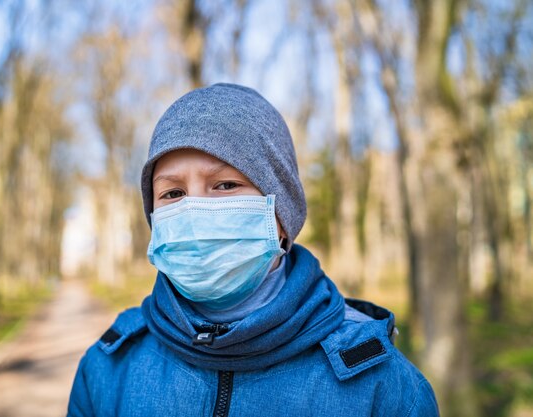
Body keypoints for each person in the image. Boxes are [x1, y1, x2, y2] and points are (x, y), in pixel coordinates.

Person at [67, 83, 439, 417]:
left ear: (281, 216)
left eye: (226, 185)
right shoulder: (108, 369)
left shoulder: (377, 382)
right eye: (173, 193)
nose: (194, 211)